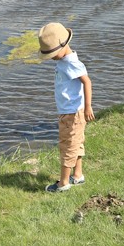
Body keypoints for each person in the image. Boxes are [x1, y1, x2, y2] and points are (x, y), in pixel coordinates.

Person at [38, 21, 95, 192]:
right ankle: (77, 175)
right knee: (76, 143)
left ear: (63, 46)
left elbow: (87, 81)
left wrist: (88, 106)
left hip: (72, 113)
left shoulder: (70, 63)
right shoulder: (65, 61)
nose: (52, 57)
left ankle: (63, 183)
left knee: (67, 146)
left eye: (53, 54)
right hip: (69, 112)